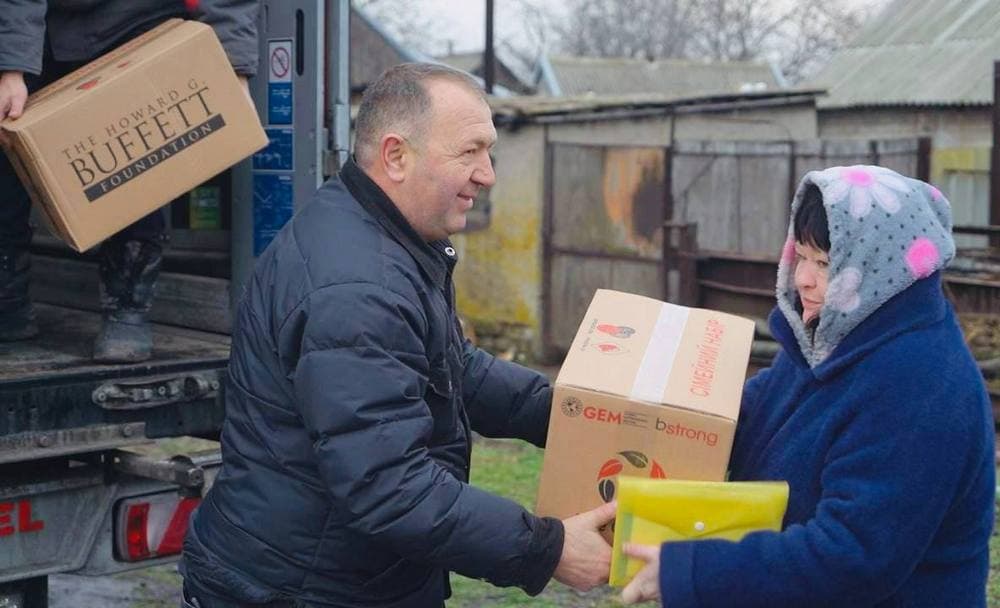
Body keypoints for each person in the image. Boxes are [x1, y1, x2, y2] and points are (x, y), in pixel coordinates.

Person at [180, 62, 616, 608]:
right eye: (469, 151)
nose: (488, 174)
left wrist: (576, 419)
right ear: (395, 156)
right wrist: (547, 549)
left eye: (489, 151)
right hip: (302, 589)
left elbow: (448, 368)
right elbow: (388, 487)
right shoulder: (360, 287)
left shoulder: (378, 235)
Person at [622, 166, 995, 607]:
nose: (802, 278)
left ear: (880, 269)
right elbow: (754, 416)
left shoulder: (922, 386)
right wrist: (644, 414)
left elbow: (853, 555)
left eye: (825, 263)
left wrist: (696, 571)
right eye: (801, 255)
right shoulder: (839, 339)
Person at [0, 0, 258, 361]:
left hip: (138, 17)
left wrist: (233, 66)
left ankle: (128, 307)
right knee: (8, 146)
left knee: (135, 155)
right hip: (43, 27)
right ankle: (8, 299)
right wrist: (11, 67)